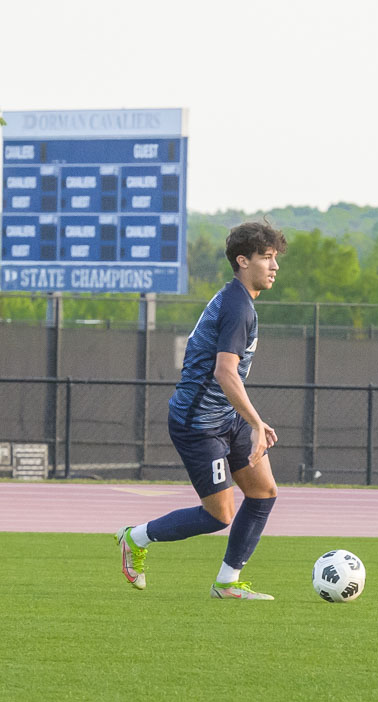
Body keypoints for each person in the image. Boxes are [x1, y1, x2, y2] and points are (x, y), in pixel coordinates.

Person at [116, 221, 285, 599]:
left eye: (275, 259)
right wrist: (256, 422)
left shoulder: (238, 300)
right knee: (219, 515)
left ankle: (226, 583)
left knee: (263, 493)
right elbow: (224, 372)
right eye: (267, 258)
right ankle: (135, 538)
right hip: (198, 425)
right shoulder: (239, 306)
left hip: (226, 417)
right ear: (243, 261)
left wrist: (248, 420)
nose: (275, 267)